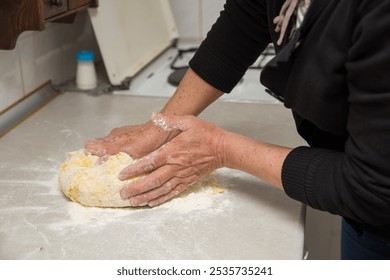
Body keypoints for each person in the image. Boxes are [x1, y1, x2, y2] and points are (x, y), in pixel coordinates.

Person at [85, 0, 390, 259]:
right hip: (364, 212)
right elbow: (246, 19)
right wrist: (161, 125)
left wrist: (221, 148)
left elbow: (373, 188)